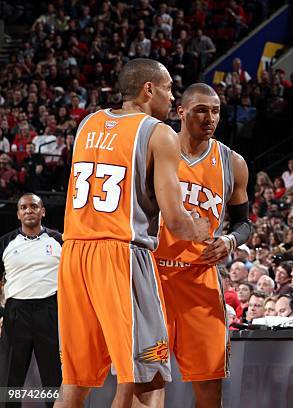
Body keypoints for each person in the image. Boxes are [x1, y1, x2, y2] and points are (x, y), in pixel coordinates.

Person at [57, 59, 211, 408]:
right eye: (169, 88)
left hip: (75, 255)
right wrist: (199, 228)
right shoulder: (159, 133)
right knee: (150, 378)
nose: (173, 98)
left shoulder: (87, 123)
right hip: (121, 256)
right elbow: (175, 220)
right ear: (148, 89)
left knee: (75, 384)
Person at [153, 82, 251, 407]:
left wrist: (231, 239)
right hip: (155, 280)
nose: (210, 118)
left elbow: (244, 223)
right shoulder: (154, 150)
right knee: (146, 384)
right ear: (181, 112)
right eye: (201, 110)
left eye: (215, 111)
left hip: (201, 282)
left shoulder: (232, 163)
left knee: (210, 390)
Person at [0, 194, 62, 407]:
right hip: (15, 312)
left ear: (42, 211)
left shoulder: (59, 240)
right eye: (24, 207)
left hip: (50, 311)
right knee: (10, 379)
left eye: (34, 206)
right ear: (18, 214)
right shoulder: (6, 242)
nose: (29, 211)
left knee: (53, 378)